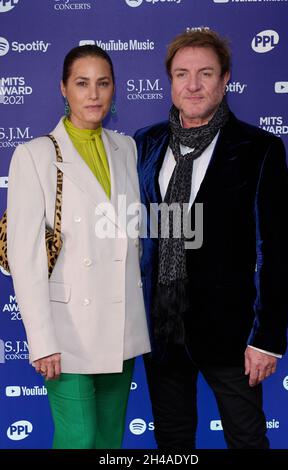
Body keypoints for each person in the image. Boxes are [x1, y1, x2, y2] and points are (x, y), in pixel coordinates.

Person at [134, 30, 288, 449]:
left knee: (246, 439)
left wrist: (268, 339)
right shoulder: (144, 143)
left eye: (205, 73)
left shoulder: (259, 148)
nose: (193, 85)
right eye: (182, 74)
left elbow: (276, 251)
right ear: (170, 81)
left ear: (225, 81)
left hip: (232, 334)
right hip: (161, 328)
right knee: (172, 442)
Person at [7, 44, 150, 449]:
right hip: (67, 329)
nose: (93, 94)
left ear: (114, 89)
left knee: (108, 439)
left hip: (120, 323)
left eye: (103, 83)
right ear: (63, 89)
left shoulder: (126, 149)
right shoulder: (33, 155)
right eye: (82, 83)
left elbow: (131, 234)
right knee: (79, 438)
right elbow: (25, 256)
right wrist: (42, 340)